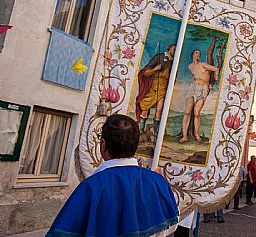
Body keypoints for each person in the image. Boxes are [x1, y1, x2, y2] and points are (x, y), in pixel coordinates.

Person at [46, 114, 179, 237]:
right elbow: (169, 226)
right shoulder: (157, 181)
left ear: (103, 145)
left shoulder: (91, 187)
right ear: (135, 146)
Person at [181, 50, 219, 143]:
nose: (198, 55)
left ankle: (196, 134)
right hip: (193, 88)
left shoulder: (203, 65)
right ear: (192, 55)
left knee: (197, 113)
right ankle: (185, 136)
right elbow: (195, 77)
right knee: (187, 112)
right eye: (196, 53)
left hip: (203, 89)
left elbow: (216, 69)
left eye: (199, 53)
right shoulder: (190, 66)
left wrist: (213, 82)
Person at [136, 44, 176, 132]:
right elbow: (145, 72)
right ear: (169, 49)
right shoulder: (159, 57)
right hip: (152, 85)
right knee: (145, 108)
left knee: (159, 109)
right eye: (173, 49)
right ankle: (141, 130)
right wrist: (154, 69)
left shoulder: (174, 62)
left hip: (163, 87)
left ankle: (155, 130)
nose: (174, 51)